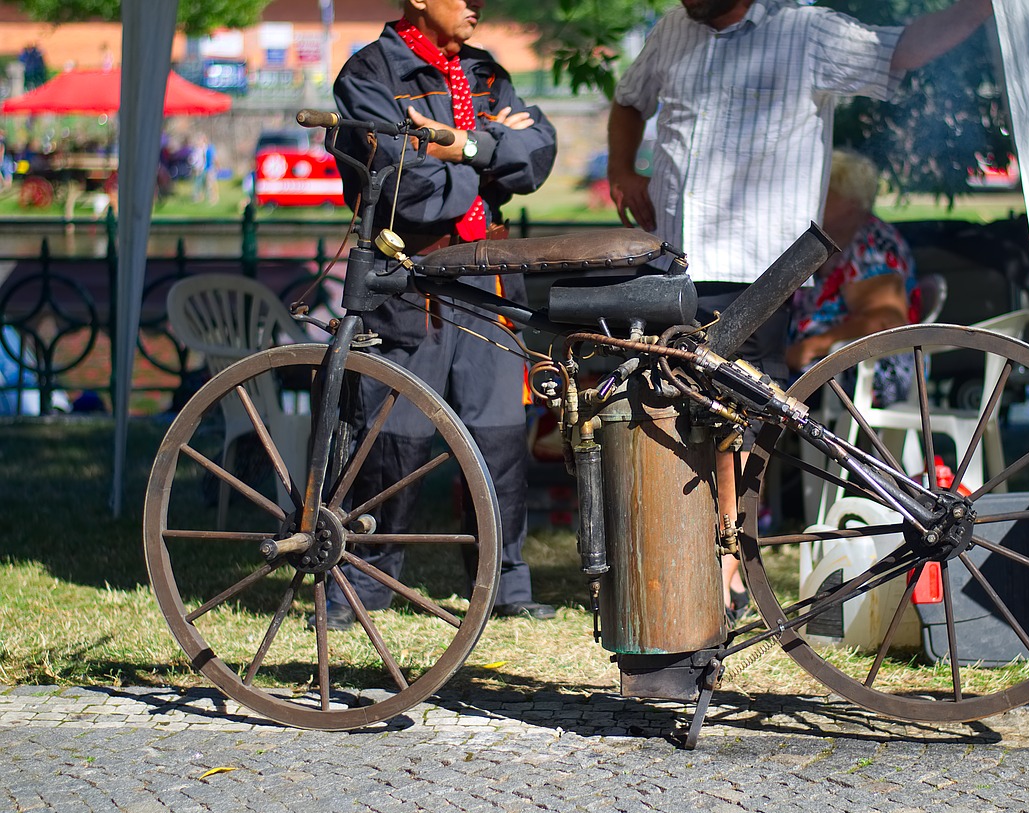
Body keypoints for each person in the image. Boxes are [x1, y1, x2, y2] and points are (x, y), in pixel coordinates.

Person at [607, 0, 992, 618]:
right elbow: (629, 100)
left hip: (758, 267)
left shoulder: (806, 30)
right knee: (674, 406)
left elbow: (902, 48)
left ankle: (725, 562)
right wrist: (624, 170)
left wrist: (981, 8)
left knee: (732, 414)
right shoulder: (672, 31)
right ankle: (686, 555)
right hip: (674, 262)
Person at [320, 0, 558, 628]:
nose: (478, 5)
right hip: (409, 275)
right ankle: (366, 582)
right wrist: (486, 154)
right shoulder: (369, 73)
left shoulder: (485, 71)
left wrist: (463, 146)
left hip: (487, 273)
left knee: (502, 434)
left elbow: (536, 156)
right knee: (392, 435)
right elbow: (402, 180)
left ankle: (506, 582)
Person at [786, 148, 915, 406]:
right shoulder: (834, 239)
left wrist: (815, 345)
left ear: (850, 201)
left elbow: (886, 320)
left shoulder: (872, 244)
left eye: (826, 193)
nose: (815, 200)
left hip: (865, 370)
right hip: (822, 364)